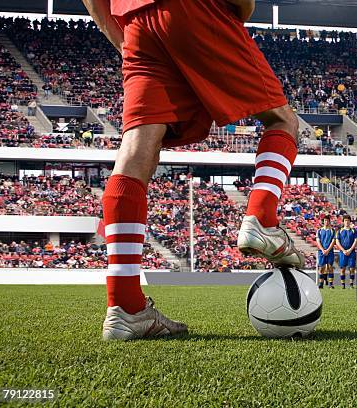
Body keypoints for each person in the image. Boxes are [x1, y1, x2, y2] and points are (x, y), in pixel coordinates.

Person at [83, 0, 303, 340]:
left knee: (136, 148)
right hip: (194, 8)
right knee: (282, 119)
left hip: (135, 22)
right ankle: (263, 219)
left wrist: (124, 37)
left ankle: (125, 307)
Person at [335, 215, 357, 289]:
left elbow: (355, 241)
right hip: (342, 252)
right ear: (343, 222)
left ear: (350, 221)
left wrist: (350, 250)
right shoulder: (340, 231)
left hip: (351, 252)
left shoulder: (354, 230)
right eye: (345, 220)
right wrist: (343, 250)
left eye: (348, 220)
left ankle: (351, 284)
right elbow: (337, 241)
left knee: (352, 268)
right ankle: (343, 284)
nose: (347, 222)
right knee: (343, 268)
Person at [316, 216, 336, 289]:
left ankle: (331, 284)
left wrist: (327, 250)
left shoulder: (332, 231)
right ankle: (321, 284)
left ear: (329, 221)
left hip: (330, 251)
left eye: (327, 221)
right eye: (325, 220)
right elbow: (318, 241)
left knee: (330, 267)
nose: (326, 222)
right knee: (321, 268)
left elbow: (333, 241)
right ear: (323, 222)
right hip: (321, 252)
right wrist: (323, 250)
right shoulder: (319, 230)